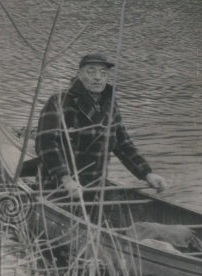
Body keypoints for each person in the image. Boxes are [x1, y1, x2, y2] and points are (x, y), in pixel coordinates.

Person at [35, 51, 168, 200]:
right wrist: (65, 179)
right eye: (91, 71)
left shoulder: (110, 104)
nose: (98, 77)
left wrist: (146, 173)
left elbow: (123, 144)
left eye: (103, 73)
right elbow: (45, 144)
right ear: (79, 74)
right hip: (57, 188)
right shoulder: (59, 101)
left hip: (95, 187)